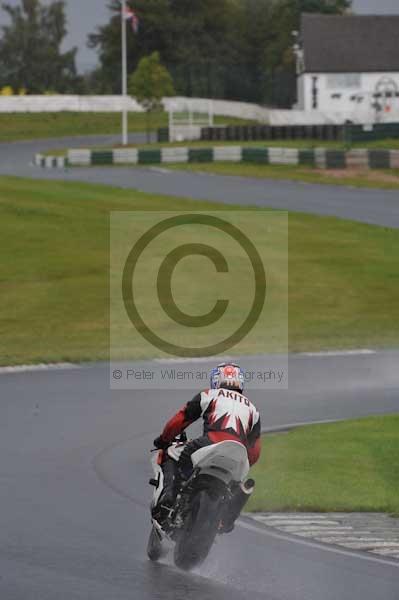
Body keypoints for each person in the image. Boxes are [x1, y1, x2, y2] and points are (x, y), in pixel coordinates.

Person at [152, 363, 261, 531]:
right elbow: (255, 451)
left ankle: (169, 499)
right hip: (239, 455)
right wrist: (245, 462)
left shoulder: (209, 394)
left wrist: (164, 438)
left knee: (171, 453)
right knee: (236, 484)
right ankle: (226, 519)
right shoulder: (253, 410)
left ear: (216, 380)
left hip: (210, 443)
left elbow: (180, 420)